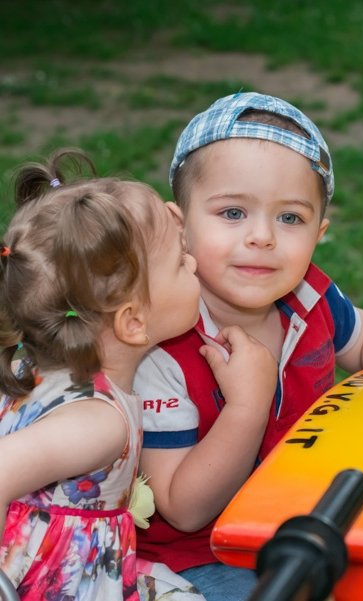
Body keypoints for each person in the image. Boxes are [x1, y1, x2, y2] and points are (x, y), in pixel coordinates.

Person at [134, 92, 363, 601]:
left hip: (305, 515)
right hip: (202, 558)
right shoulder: (161, 345)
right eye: (232, 212)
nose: (262, 237)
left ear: (319, 232)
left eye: (290, 219)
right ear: (179, 226)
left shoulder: (309, 296)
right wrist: (247, 408)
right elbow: (182, 508)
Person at [0, 148, 210, 600]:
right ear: (133, 322)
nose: (193, 264)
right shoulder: (97, 423)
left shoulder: (31, 362)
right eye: (180, 262)